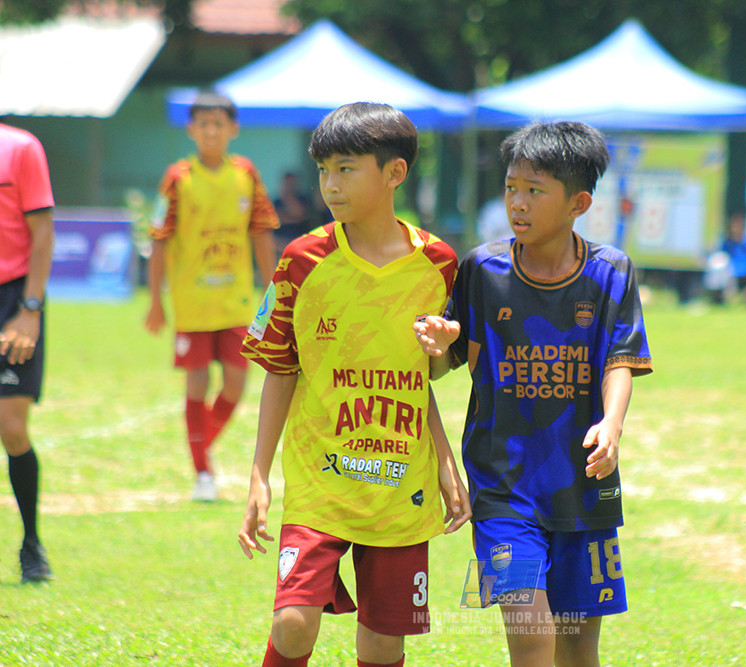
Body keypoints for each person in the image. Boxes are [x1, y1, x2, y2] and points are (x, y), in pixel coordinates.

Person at [237, 102, 471, 667]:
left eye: (345, 169)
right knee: (293, 625)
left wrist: (444, 461)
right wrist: (259, 474)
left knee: (384, 643)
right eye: (323, 170)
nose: (330, 185)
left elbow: (422, 376)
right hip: (320, 479)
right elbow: (280, 370)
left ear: (395, 173)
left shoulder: (439, 264)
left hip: (398, 483)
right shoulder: (302, 260)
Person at [414, 121, 653, 667]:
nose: (516, 203)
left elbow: (620, 359)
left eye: (534, 190)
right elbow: (442, 366)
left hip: (584, 487)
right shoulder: (483, 269)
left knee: (577, 645)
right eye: (510, 187)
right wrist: (440, 344)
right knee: (530, 634)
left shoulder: (610, 271)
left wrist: (612, 424)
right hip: (502, 488)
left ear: (578, 203)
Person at [144, 91, 279, 501]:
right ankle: (202, 472)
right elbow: (159, 239)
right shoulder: (177, 178)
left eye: (218, 123)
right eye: (203, 124)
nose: (211, 131)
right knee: (197, 383)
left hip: (236, 301)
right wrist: (155, 301)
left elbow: (261, 231)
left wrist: (273, 288)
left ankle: (201, 445)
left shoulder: (246, 174)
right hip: (192, 303)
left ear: (233, 129)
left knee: (237, 384)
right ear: (191, 130)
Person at [0, 122, 56, 583]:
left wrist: (30, 309)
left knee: (12, 428)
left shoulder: (21, 148)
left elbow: (42, 232)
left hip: (13, 300)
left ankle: (31, 543)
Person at [273, 171, 316, 253]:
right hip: (281, 241)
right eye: (287, 183)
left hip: (299, 238)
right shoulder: (277, 202)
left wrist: (289, 198)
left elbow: (299, 214)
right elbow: (275, 220)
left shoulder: (303, 199)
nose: (289, 186)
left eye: (291, 183)